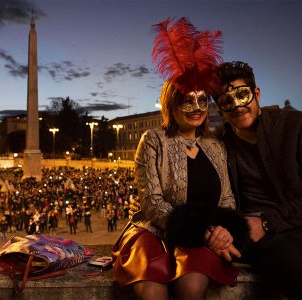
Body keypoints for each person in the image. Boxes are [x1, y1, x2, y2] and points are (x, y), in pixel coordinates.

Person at [113, 17, 249, 300]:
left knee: (193, 282)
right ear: (171, 104)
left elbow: (227, 200)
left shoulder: (216, 147)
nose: (197, 108)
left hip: (205, 237)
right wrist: (202, 230)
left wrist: (221, 230)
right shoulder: (152, 140)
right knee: (151, 285)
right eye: (187, 100)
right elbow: (152, 203)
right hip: (152, 232)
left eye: (202, 100)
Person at [213, 61, 302, 299]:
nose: (238, 106)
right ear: (220, 109)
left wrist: (266, 223)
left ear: (257, 94)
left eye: (242, 95)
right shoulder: (218, 145)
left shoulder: (295, 126)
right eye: (227, 101)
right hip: (256, 242)